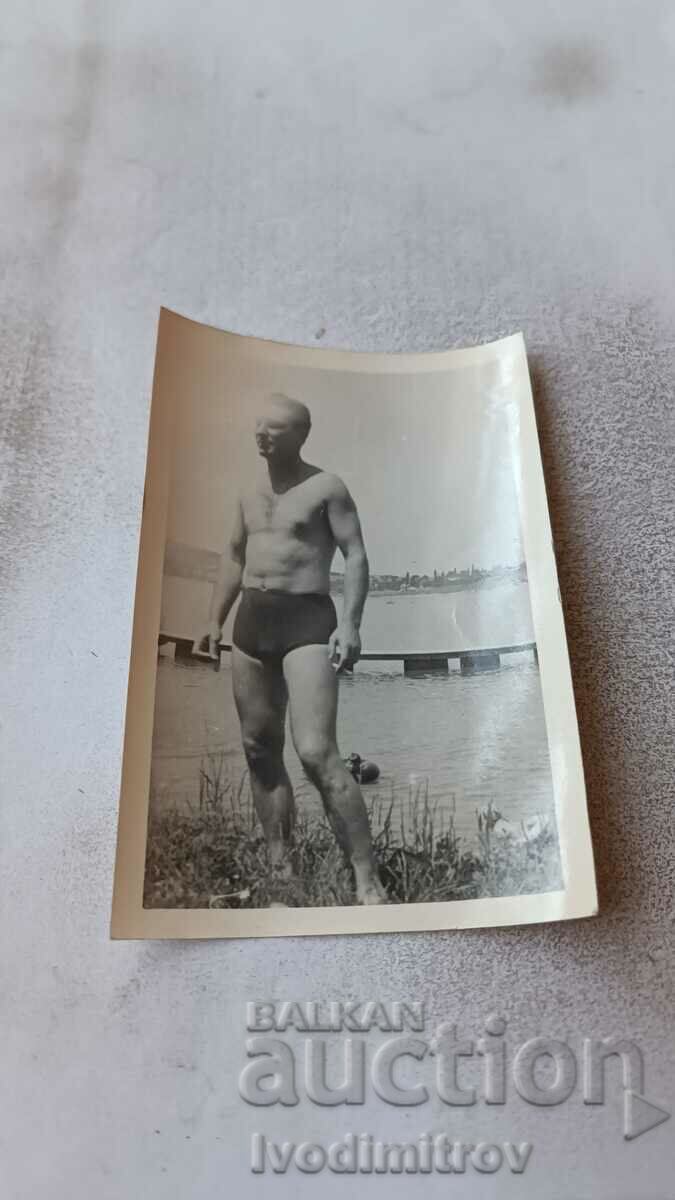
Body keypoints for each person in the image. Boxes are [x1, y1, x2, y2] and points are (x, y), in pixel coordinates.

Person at [194, 393, 386, 906]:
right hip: (251, 622)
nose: (262, 433)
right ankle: (283, 869)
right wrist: (213, 620)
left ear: (301, 434)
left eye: (275, 427)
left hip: (307, 621)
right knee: (259, 749)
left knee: (316, 752)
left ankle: (366, 879)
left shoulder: (327, 486)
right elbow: (233, 557)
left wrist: (351, 625)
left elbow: (357, 555)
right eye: (258, 423)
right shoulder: (245, 488)